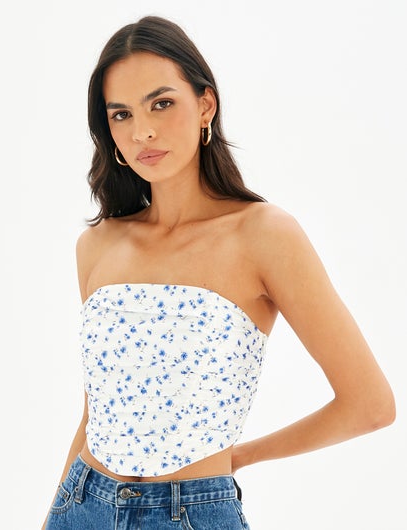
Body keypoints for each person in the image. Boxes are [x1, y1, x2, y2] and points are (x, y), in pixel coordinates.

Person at [43, 15, 395, 530]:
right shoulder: (97, 245)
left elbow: (370, 404)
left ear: (205, 104)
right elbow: (94, 412)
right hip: (80, 506)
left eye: (161, 103)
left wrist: (239, 457)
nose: (142, 131)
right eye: (121, 114)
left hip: (192, 512)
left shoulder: (264, 235)